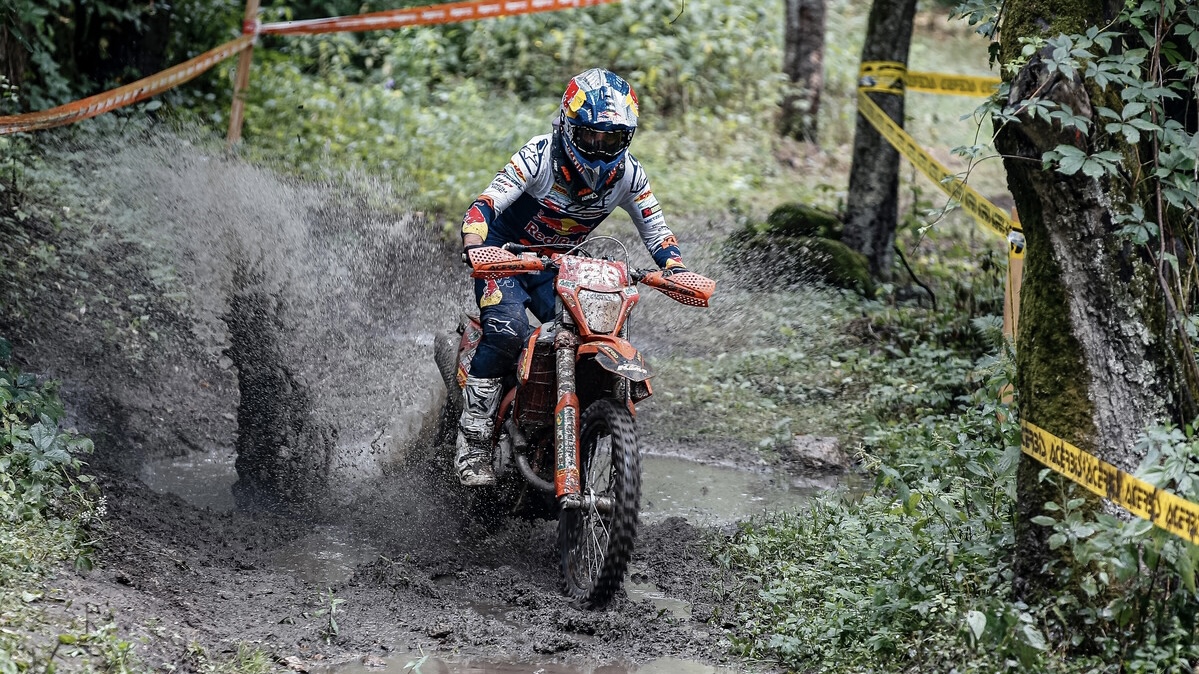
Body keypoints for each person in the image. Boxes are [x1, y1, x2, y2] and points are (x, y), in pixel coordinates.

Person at [454, 68, 687, 486]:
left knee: (593, 330)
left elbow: (656, 228)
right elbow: (486, 203)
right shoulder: (540, 155)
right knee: (507, 332)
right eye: (592, 137)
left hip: (561, 268)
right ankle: (472, 444)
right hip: (506, 260)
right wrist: (476, 244)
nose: (600, 150)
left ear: (627, 138)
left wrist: (675, 269)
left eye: (612, 139)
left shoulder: (629, 175)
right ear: (568, 125)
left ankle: (563, 431)